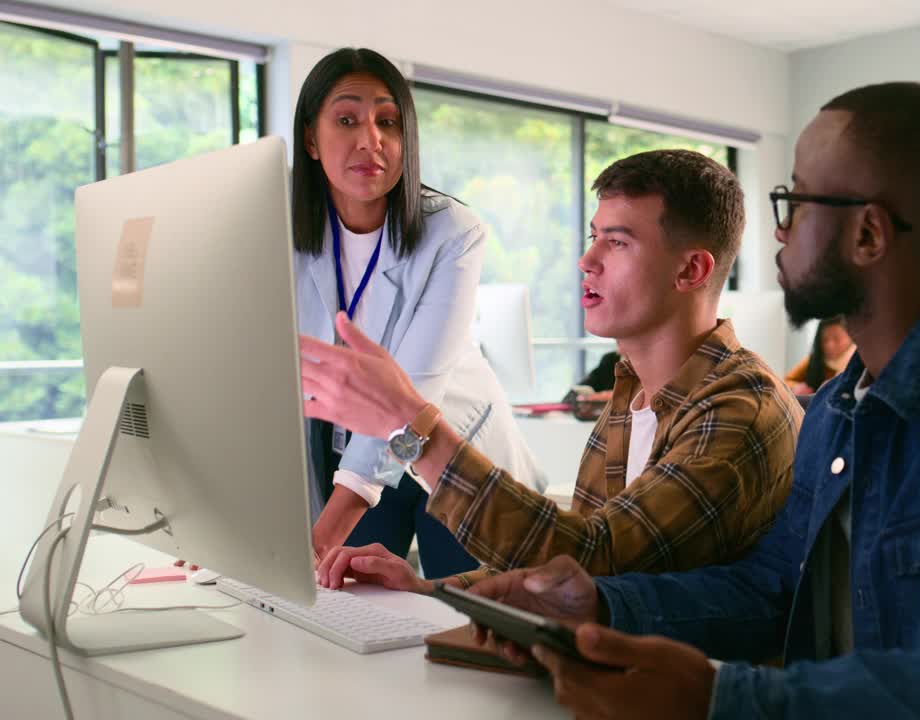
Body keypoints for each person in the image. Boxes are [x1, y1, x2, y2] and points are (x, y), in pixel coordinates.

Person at [465, 82, 920, 720]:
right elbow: (773, 590)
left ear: (868, 235)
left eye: (798, 203)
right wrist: (601, 605)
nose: (780, 232)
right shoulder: (839, 409)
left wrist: (728, 701)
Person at [302, 149, 803, 587]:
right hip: (596, 667)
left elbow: (595, 563)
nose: (586, 260)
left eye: (619, 242)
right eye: (593, 237)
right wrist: (427, 591)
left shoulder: (739, 411)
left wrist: (410, 423)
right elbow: (565, 573)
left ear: (691, 270)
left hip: (673, 686)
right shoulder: (631, 395)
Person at [292, 47, 542, 580]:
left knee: (465, 625)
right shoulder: (286, 236)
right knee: (348, 612)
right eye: (346, 119)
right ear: (311, 140)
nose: (371, 140)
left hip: (446, 448)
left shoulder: (452, 232)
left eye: (388, 121)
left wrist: (318, 538)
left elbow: (414, 397)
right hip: (351, 457)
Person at [785, 315, 853, 394]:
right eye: (825, 339)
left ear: (851, 337)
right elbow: (785, 381)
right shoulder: (814, 360)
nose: (829, 345)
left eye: (836, 338)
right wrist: (797, 387)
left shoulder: (857, 362)